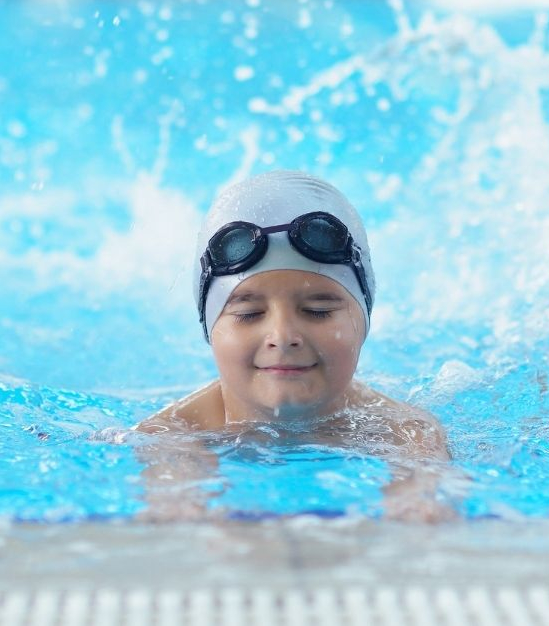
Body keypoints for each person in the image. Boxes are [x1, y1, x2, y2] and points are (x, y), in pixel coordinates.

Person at [136, 170, 452, 520]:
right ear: (210, 330)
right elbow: (171, 498)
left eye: (317, 311)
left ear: (363, 323)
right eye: (250, 313)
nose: (283, 335)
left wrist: (417, 503)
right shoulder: (174, 434)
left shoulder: (405, 432)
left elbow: (424, 500)